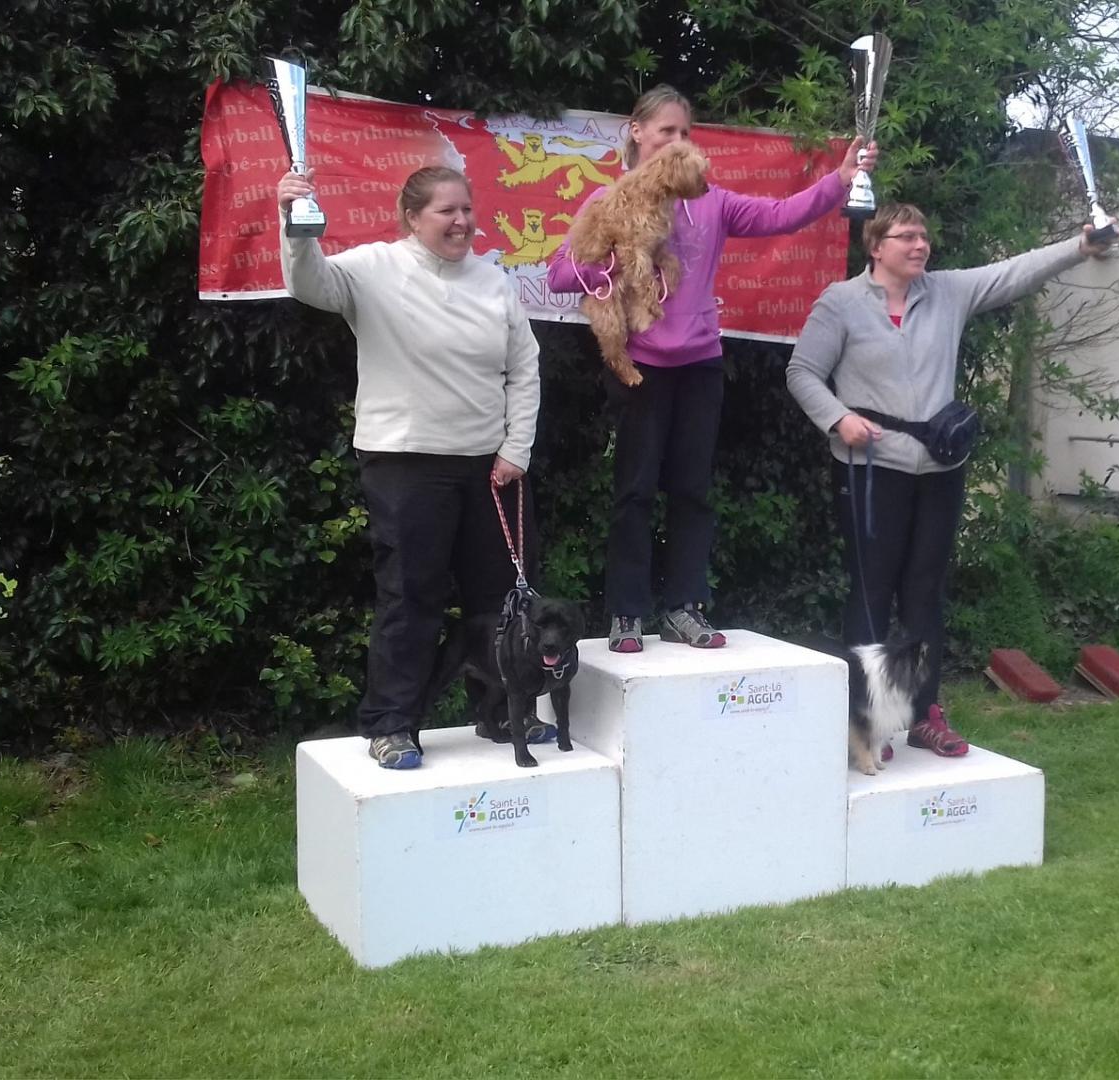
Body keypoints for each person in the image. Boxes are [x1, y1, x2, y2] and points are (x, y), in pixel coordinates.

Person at [547, 85, 876, 653]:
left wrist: (842, 179)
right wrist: (608, 270)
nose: (676, 141)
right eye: (666, 131)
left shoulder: (712, 201)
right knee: (634, 490)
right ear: (637, 131)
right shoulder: (610, 199)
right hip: (640, 368)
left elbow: (781, 214)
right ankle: (627, 613)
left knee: (692, 491)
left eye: (685, 132)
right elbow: (558, 274)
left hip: (700, 362)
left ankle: (683, 607)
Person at [786, 203, 1118, 758]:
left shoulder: (947, 292)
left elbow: (1014, 271)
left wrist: (1079, 248)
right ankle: (866, 719)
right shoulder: (840, 303)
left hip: (939, 471)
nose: (920, 245)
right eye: (907, 237)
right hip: (871, 470)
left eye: (924, 236)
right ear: (876, 246)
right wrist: (839, 419)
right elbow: (802, 372)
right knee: (871, 594)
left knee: (924, 595)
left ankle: (923, 712)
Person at [277, 165, 541, 770]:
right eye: (447, 211)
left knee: (500, 604)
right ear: (412, 217)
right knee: (410, 599)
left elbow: (524, 370)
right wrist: (296, 223)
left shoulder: (495, 283)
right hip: (404, 466)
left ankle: (502, 712)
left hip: (490, 471)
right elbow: (310, 284)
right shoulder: (373, 268)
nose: (462, 222)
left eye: (467, 210)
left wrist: (514, 451)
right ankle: (392, 725)